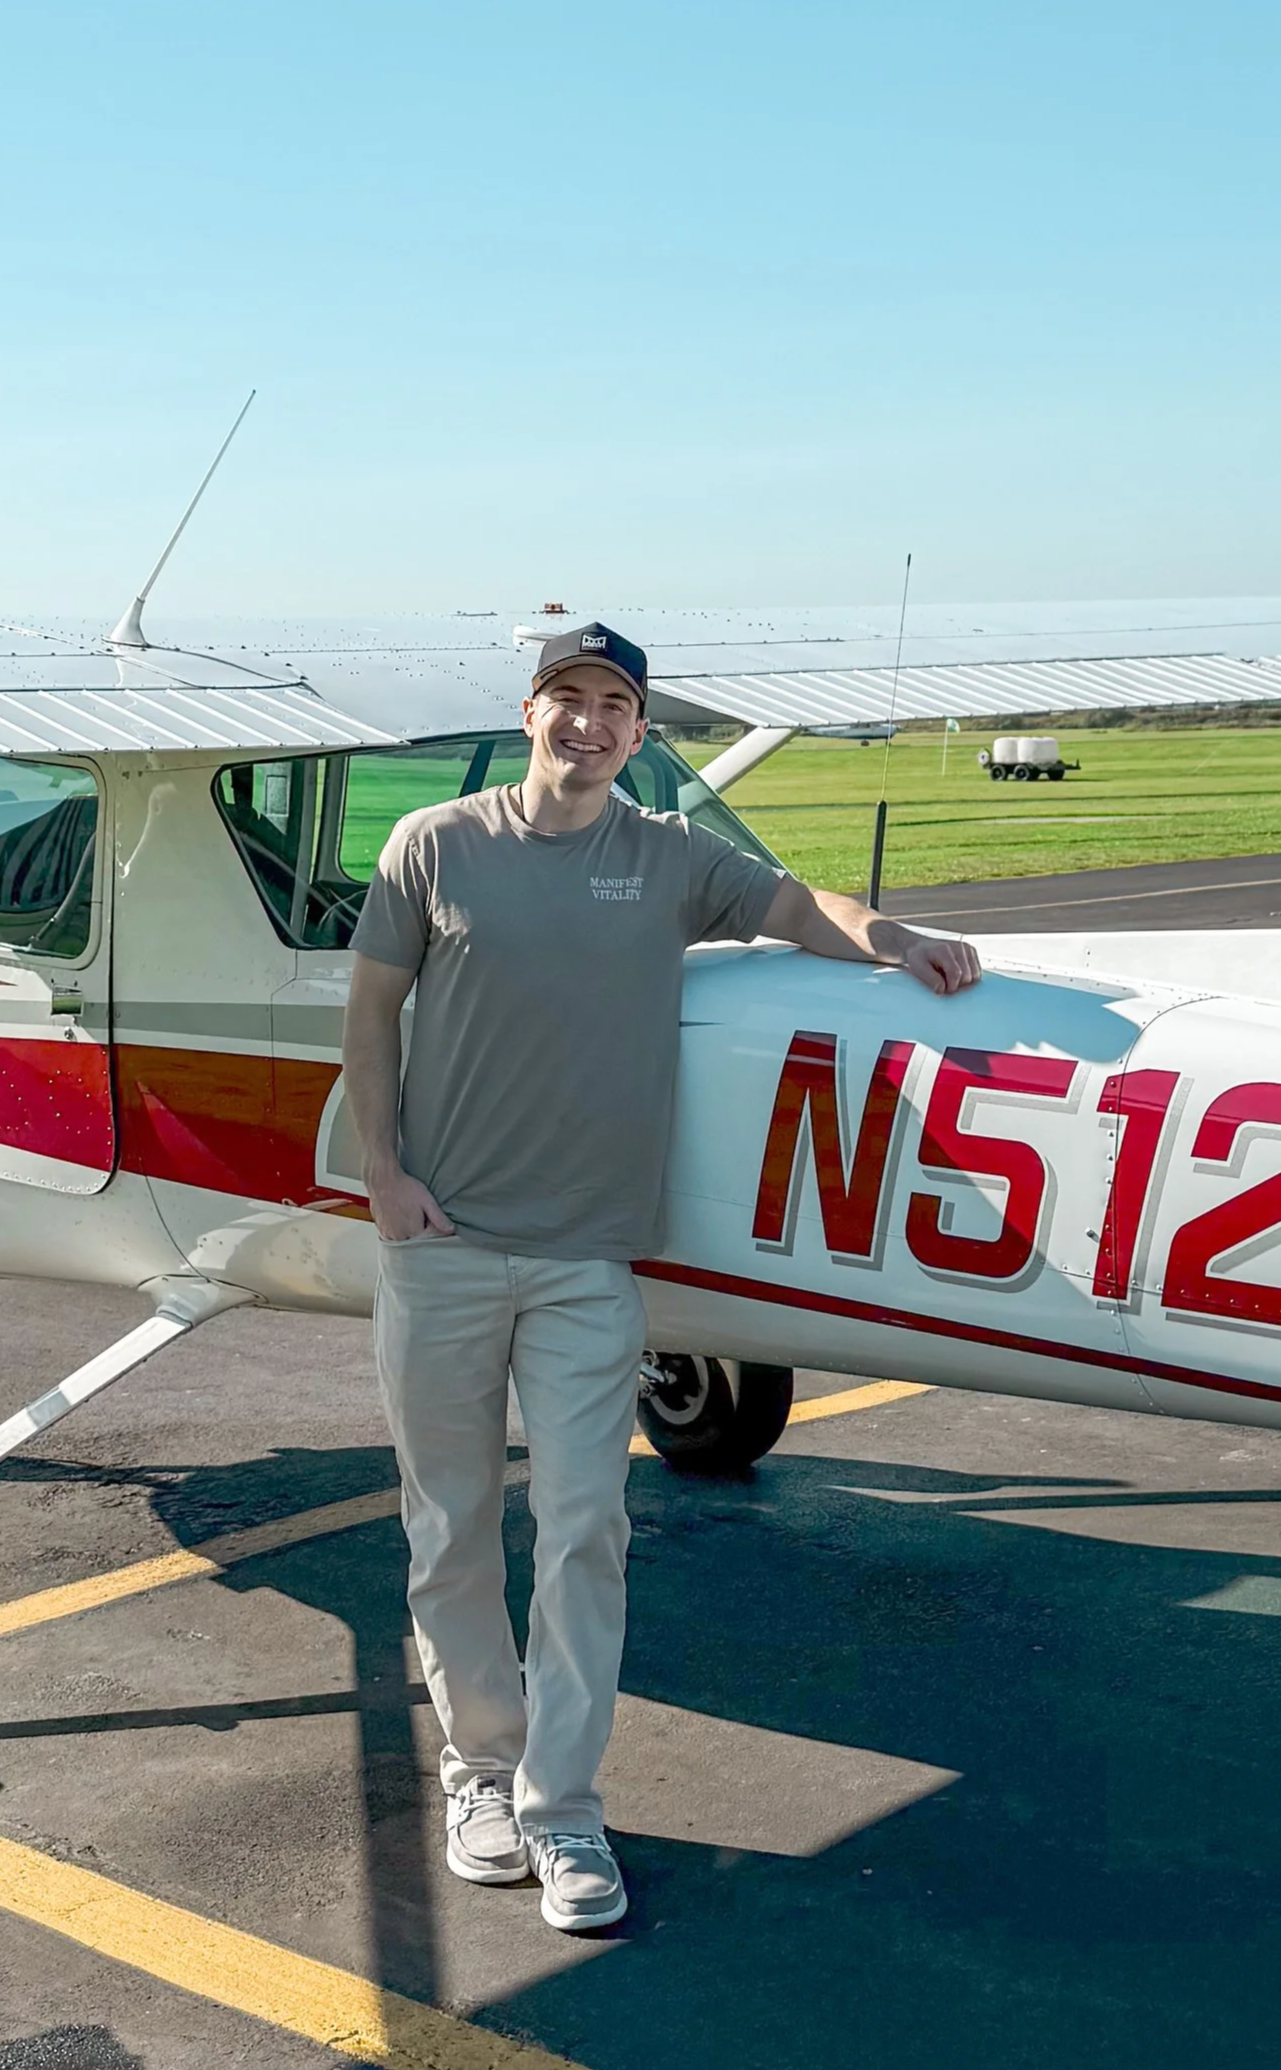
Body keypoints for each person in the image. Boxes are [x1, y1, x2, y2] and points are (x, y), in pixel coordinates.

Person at [341, 621, 979, 1933]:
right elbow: (367, 1011)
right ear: (529, 713)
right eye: (567, 699)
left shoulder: (669, 856)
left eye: (614, 707)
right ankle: (478, 1772)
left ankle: (562, 1812)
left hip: (585, 1261)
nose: (588, 723)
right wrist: (381, 1179)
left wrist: (892, 934)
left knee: (587, 1537)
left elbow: (795, 905)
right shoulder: (433, 844)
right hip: (442, 1248)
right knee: (448, 1529)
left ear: (638, 733)